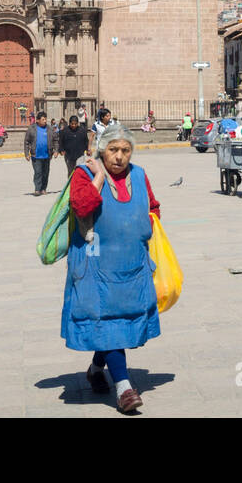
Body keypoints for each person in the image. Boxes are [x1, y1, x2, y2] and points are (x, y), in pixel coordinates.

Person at [63, 122, 161, 414]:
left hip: (131, 265)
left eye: (126, 150)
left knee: (114, 321)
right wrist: (98, 178)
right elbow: (82, 207)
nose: (119, 156)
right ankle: (124, 388)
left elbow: (153, 207)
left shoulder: (140, 175)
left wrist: (149, 227)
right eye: (113, 150)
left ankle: (96, 369)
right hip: (95, 263)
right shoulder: (83, 174)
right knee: (106, 320)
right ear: (101, 150)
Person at [24, 111, 59, 196]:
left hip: (47, 155)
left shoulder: (50, 129)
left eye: (45, 119)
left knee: (45, 173)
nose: (45, 121)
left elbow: (56, 140)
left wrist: (56, 150)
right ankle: (37, 189)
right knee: (38, 172)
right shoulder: (32, 128)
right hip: (36, 155)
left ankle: (43, 189)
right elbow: (26, 142)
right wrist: (26, 154)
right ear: (38, 120)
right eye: (43, 119)